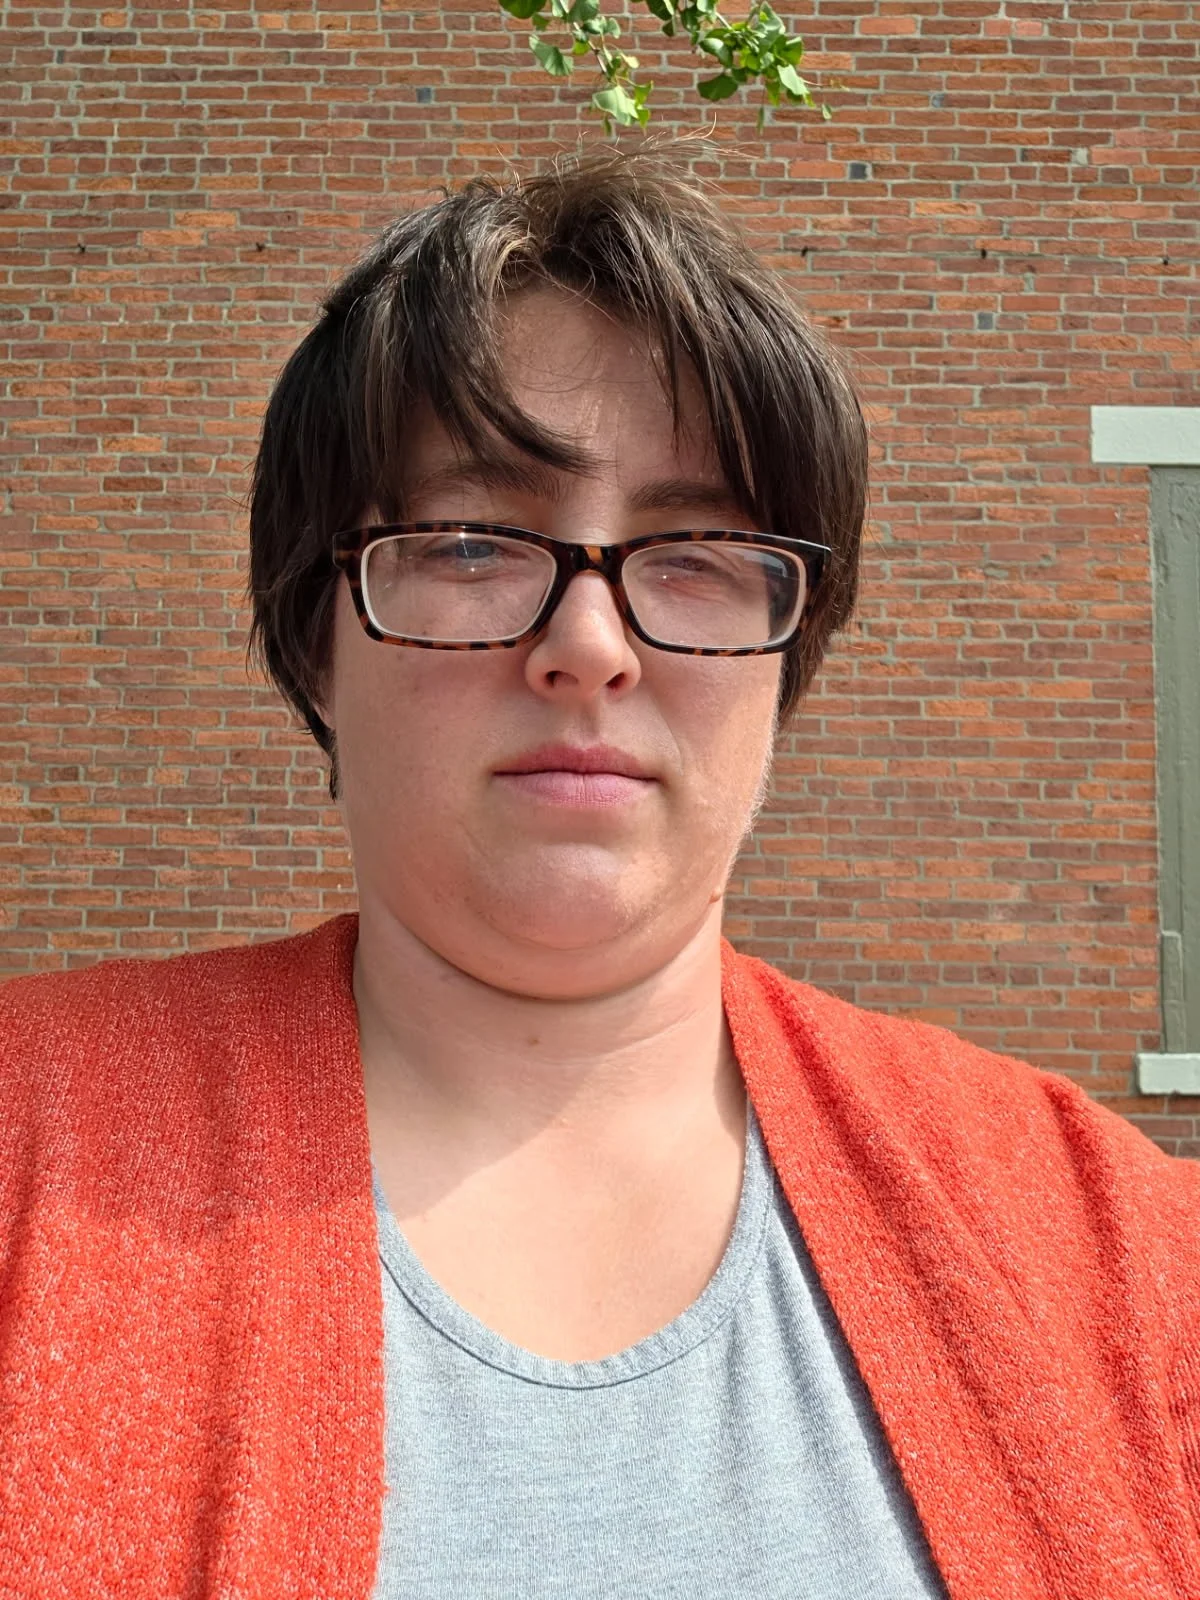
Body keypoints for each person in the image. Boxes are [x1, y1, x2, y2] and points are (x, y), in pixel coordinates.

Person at [2, 141, 1199, 1600]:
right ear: (317, 636)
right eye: (470, 544)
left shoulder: (1120, 1257)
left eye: (697, 552)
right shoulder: (25, 1154)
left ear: (786, 657)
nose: (589, 644)